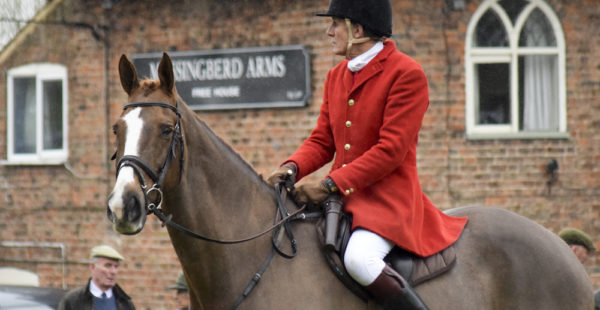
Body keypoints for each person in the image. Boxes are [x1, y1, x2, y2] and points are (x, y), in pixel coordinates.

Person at [266, 0, 468, 309]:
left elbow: (390, 151)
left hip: (388, 202)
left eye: (335, 24)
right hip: (344, 200)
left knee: (359, 260)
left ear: (357, 30)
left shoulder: (406, 73)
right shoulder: (337, 76)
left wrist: (328, 185)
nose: (328, 31)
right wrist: (292, 167)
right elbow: (322, 140)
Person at [58, 244, 135, 310]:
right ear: (92, 267)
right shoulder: (74, 301)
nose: (113, 271)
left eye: (116, 266)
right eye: (108, 265)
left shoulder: (125, 303)